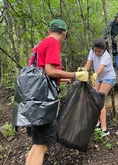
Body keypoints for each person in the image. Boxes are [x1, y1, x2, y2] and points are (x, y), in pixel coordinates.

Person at [26, 19, 89, 165]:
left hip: (32, 99)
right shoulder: (53, 43)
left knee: (37, 143)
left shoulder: (39, 45)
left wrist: (64, 78)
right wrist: (75, 75)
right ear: (64, 33)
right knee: (42, 145)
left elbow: (41, 71)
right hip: (43, 102)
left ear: (49, 30)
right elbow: (50, 71)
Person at [84, 39, 116, 136]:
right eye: (95, 51)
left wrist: (95, 74)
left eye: (99, 51)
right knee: (93, 99)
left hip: (108, 77)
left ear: (104, 50)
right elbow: (88, 64)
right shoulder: (92, 52)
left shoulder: (106, 56)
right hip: (98, 78)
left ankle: (104, 129)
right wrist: (82, 71)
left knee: (100, 100)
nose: (97, 53)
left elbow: (101, 68)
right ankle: (97, 122)